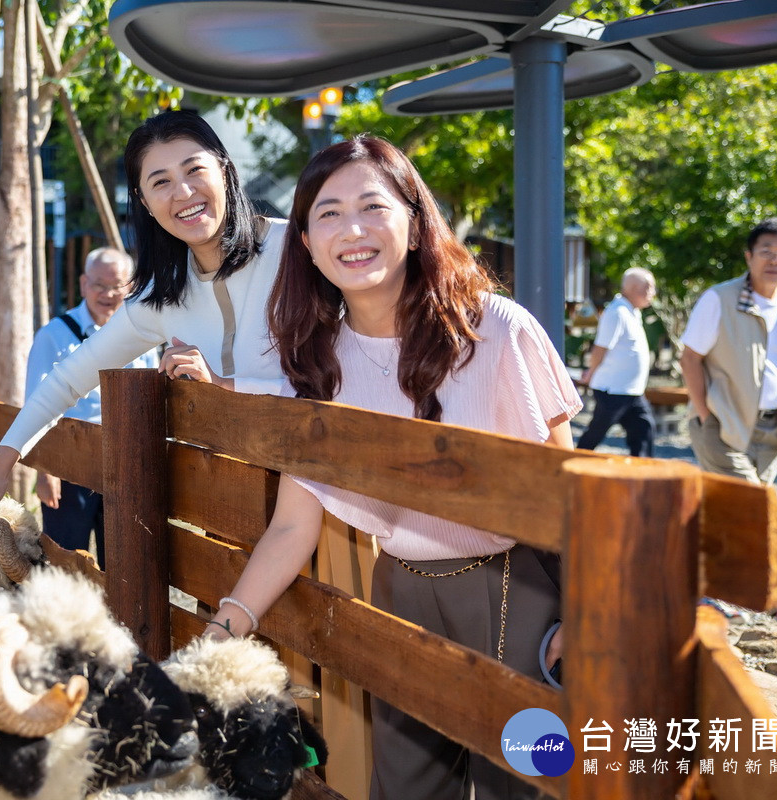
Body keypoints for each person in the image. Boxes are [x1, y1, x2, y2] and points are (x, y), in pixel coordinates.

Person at [203, 136, 581, 800]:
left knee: (527, 784)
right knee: (406, 788)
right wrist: (225, 624)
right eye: (328, 213)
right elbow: (294, 524)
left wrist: (582, 618)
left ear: (414, 221)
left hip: (515, 594)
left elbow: (569, 490)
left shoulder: (497, 330)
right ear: (307, 243)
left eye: (373, 206)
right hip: (400, 592)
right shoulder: (315, 358)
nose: (352, 230)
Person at [0, 109, 286, 536]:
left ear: (225, 168)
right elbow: (66, 382)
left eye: (195, 169)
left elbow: (343, 375)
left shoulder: (297, 251)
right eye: (160, 181)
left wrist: (224, 387)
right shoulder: (160, 297)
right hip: (231, 508)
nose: (182, 191)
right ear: (143, 200)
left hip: (326, 493)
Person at [681, 216, 777, 624]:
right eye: (766, 251)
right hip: (721, 426)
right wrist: (703, 412)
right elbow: (690, 357)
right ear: (748, 256)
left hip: (773, 431)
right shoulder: (720, 298)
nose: (775, 259)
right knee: (756, 508)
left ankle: (720, 590)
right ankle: (776, 596)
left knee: (732, 512)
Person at [26, 248, 158, 570]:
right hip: (69, 462)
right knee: (65, 561)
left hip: (126, 462)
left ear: (131, 287)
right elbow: (36, 405)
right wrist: (45, 470)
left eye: (117, 285)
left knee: (124, 560)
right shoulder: (54, 335)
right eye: (99, 285)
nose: (109, 294)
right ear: (84, 283)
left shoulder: (143, 335)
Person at [576, 267, 657, 456]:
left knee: (645, 431)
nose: (652, 292)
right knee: (595, 434)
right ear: (636, 288)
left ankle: (644, 476)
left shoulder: (631, 312)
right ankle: (571, 465)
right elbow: (600, 348)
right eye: (650, 287)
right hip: (612, 390)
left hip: (631, 390)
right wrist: (590, 372)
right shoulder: (617, 312)